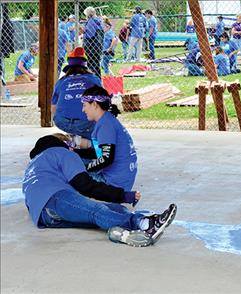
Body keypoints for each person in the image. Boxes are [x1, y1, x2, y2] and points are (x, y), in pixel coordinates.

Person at [23, 134, 177, 247]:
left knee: (107, 212)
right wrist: (123, 195)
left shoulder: (33, 165)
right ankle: (145, 224)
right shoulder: (63, 153)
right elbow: (86, 185)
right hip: (55, 198)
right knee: (96, 211)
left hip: (45, 217)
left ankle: (119, 232)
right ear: (65, 144)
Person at [77, 85, 138, 191]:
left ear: (94, 104)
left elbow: (106, 159)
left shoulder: (105, 125)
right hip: (119, 180)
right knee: (75, 160)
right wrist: (75, 152)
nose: (83, 110)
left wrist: (85, 171)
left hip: (113, 184)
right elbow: (100, 154)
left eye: (84, 105)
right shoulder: (107, 120)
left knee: (68, 173)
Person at [51, 47, 102, 144]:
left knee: (78, 130)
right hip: (85, 123)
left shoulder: (61, 81)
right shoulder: (93, 79)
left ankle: (74, 140)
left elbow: (53, 108)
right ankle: (89, 145)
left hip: (62, 122)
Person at [82, 6, 103, 78]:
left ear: (88, 14)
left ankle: (93, 81)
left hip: (91, 48)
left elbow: (90, 35)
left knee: (92, 65)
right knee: (96, 65)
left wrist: (84, 31)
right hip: (97, 47)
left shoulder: (91, 22)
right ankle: (97, 80)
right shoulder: (98, 21)